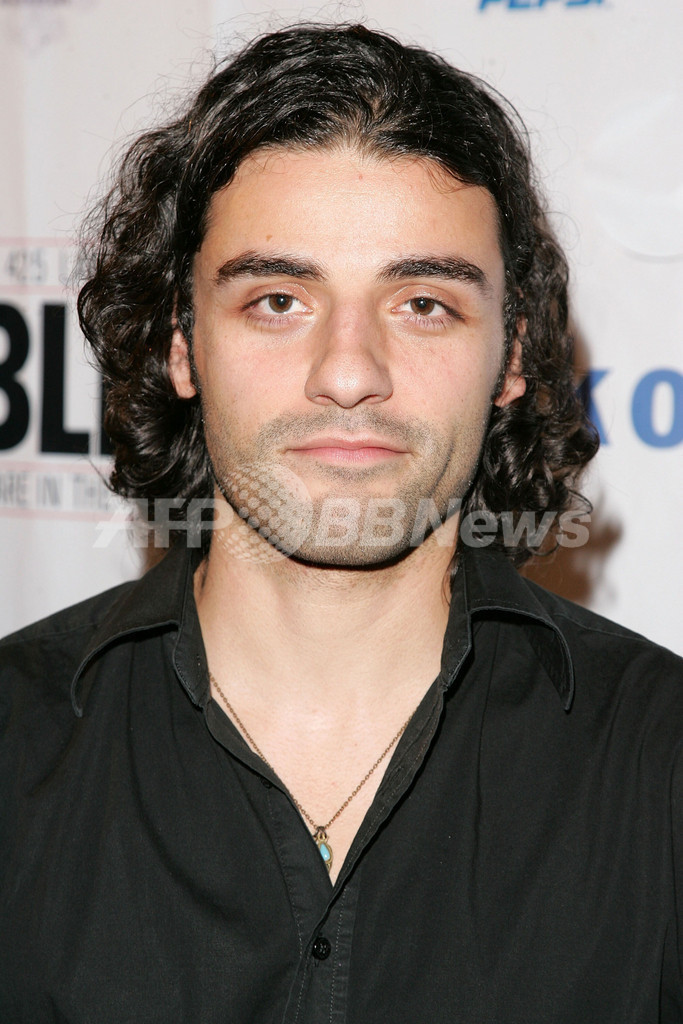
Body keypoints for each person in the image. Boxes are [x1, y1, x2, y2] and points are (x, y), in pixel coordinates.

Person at [1, 22, 681, 1024]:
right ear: (182, 343)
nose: (350, 372)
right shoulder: (16, 743)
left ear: (511, 356)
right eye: (279, 299)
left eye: (423, 304)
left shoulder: (658, 763)